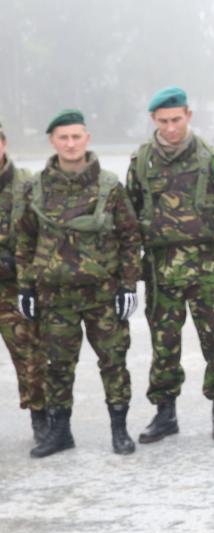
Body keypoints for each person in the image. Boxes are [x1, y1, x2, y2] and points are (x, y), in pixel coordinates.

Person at [16, 109, 140, 458]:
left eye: (76, 137)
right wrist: (26, 287)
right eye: (63, 138)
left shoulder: (109, 186)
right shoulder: (35, 188)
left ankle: (119, 429)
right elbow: (25, 241)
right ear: (53, 142)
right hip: (55, 298)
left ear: (87, 138)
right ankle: (60, 432)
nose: (70, 144)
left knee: (114, 362)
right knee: (57, 366)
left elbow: (130, 238)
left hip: (101, 295)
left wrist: (128, 285)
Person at [127, 86, 214, 443]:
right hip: (161, 270)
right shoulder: (142, 160)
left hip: (206, 266)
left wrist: (204, 233)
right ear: (153, 121)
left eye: (176, 119)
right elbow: (130, 215)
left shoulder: (211, 157)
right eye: (163, 121)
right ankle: (165, 413)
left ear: (188, 116)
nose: (171, 127)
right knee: (163, 344)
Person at [0, 119, 47, 443]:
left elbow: (42, 235)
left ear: (3, 144)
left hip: (13, 287)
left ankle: (41, 418)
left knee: (29, 355)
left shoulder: (27, 185)